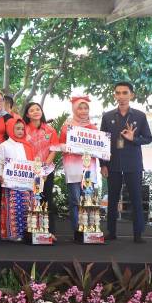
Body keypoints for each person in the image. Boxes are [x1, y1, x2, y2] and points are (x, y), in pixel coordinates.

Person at [100, 82, 152, 243]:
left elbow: (148, 138)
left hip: (133, 163)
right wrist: (103, 164)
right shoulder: (107, 116)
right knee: (112, 199)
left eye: (125, 92)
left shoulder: (140, 116)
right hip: (113, 163)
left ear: (131, 95)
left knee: (136, 199)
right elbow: (102, 142)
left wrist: (133, 138)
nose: (121, 96)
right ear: (114, 95)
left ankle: (138, 234)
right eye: (118, 93)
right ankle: (111, 232)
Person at [59, 95, 98, 235]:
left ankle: (89, 229)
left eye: (85, 108)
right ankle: (77, 231)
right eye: (80, 108)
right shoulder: (67, 127)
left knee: (88, 200)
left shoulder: (93, 128)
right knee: (75, 200)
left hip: (89, 170)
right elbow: (60, 145)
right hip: (73, 168)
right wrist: (72, 147)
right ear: (74, 109)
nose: (83, 111)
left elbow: (100, 148)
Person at [22, 102, 59, 237]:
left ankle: (49, 231)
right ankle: (30, 230)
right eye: (32, 110)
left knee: (46, 199)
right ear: (27, 115)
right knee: (30, 200)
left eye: (38, 109)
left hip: (46, 171)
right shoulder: (23, 130)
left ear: (42, 112)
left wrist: (44, 169)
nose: (35, 112)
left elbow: (53, 150)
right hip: (28, 171)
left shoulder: (50, 130)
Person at [0, 118, 35, 242]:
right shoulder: (4, 146)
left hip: (26, 184)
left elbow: (32, 164)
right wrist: (0, 175)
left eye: (22, 129)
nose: (20, 131)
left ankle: (26, 234)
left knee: (26, 208)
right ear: (10, 129)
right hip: (11, 184)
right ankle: (12, 234)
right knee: (13, 209)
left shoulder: (28, 145)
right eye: (17, 128)